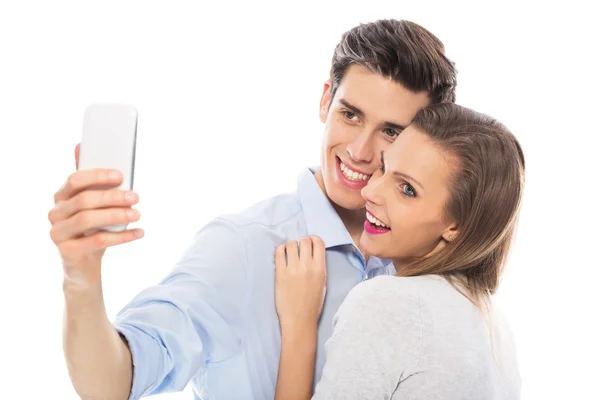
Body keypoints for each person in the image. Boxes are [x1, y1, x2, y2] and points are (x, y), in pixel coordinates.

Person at [48, 19, 457, 399]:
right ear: (325, 100)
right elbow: (113, 382)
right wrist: (80, 277)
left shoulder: (426, 259)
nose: (359, 151)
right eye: (350, 115)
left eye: (390, 131)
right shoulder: (243, 247)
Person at [274, 103, 524, 400]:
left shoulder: (389, 303)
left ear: (455, 226)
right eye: (384, 167)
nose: (370, 191)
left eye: (407, 189)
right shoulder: (497, 330)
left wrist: (299, 330)